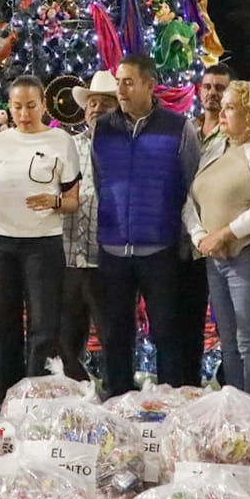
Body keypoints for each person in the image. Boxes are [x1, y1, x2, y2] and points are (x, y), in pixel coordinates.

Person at [94, 52, 204, 394]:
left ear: (149, 85)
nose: (121, 90)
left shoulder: (178, 127)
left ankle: (170, 403)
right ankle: (118, 404)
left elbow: (193, 182)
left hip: (161, 248)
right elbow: (100, 182)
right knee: (114, 334)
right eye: (118, 82)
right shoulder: (103, 128)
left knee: (167, 333)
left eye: (128, 82)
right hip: (113, 248)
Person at [0, 75, 81, 402]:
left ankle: (35, 399)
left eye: (31, 106)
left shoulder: (61, 141)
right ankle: (7, 400)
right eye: (17, 107)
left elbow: (74, 200)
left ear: (43, 105)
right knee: (3, 324)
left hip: (43, 242)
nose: (23, 114)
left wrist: (56, 202)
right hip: (0, 242)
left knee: (44, 325)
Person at [184, 80, 250, 394]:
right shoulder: (214, 148)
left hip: (246, 258)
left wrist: (226, 233)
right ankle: (233, 404)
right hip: (212, 257)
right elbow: (190, 201)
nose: (222, 111)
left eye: (231, 107)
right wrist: (201, 237)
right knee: (226, 341)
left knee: (249, 340)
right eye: (224, 106)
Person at [171, 62, 233, 387]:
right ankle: (188, 386)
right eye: (207, 86)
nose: (212, 93)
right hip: (188, 244)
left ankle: (232, 386)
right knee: (187, 322)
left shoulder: (235, 136)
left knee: (230, 326)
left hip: (225, 243)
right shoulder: (186, 129)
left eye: (220, 88)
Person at [61, 71, 118, 378]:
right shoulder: (66, 145)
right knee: (66, 339)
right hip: (68, 254)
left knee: (113, 335)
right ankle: (75, 398)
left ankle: (115, 396)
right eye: (92, 103)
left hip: (107, 258)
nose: (96, 109)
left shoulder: (124, 147)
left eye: (105, 104)